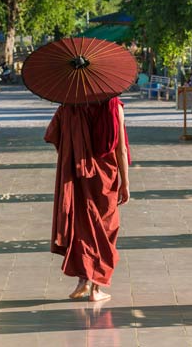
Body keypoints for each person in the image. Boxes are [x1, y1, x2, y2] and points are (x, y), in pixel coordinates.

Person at [44, 97, 131, 302]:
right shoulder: (114, 105)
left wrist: (76, 151)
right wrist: (125, 183)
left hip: (77, 174)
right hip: (105, 179)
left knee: (82, 225)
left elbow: (57, 139)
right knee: (106, 228)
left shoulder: (69, 106)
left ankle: (83, 281)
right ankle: (96, 289)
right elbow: (121, 148)